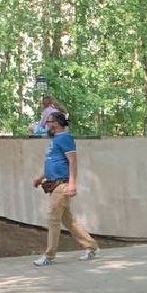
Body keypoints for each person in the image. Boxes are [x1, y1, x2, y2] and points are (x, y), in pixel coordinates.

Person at [32, 112, 99, 265]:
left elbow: (73, 161)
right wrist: (39, 177)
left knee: (53, 219)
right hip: (54, 184)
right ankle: (91, 246)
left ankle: (49, 256)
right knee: (68, 220)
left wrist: (72, 184)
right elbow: (52, 162)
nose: (46, 125)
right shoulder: (55, 140)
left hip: (62, 185)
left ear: (56, 123)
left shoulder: (65, 138)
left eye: (48, 121)